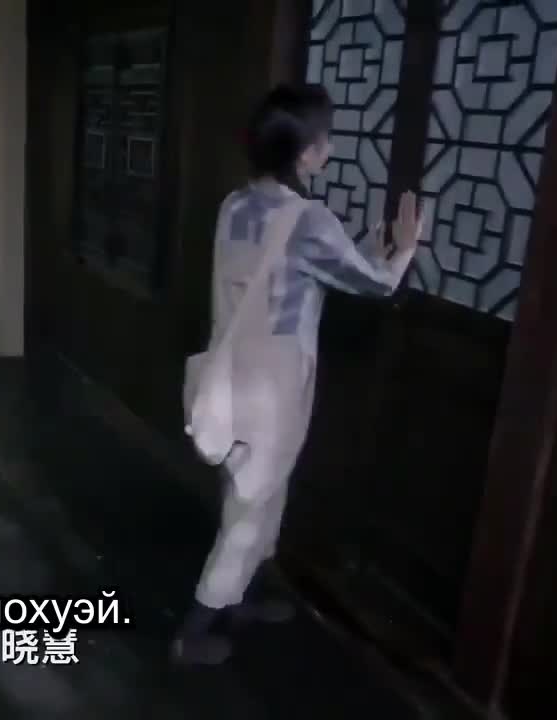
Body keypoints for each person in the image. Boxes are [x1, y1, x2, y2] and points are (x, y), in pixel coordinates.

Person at [173, 84, 425, 665]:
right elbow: (374, 283)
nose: (328, 147)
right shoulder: (307, 217)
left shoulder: (235, 205)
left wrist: (369, 245)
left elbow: (296, 270)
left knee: (253, 493)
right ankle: (193, 630)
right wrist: (404, 248)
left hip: (230, 374)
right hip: (274, 386)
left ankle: (239, 599)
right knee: (252, 505)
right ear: (305, 150)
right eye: (324, 137)